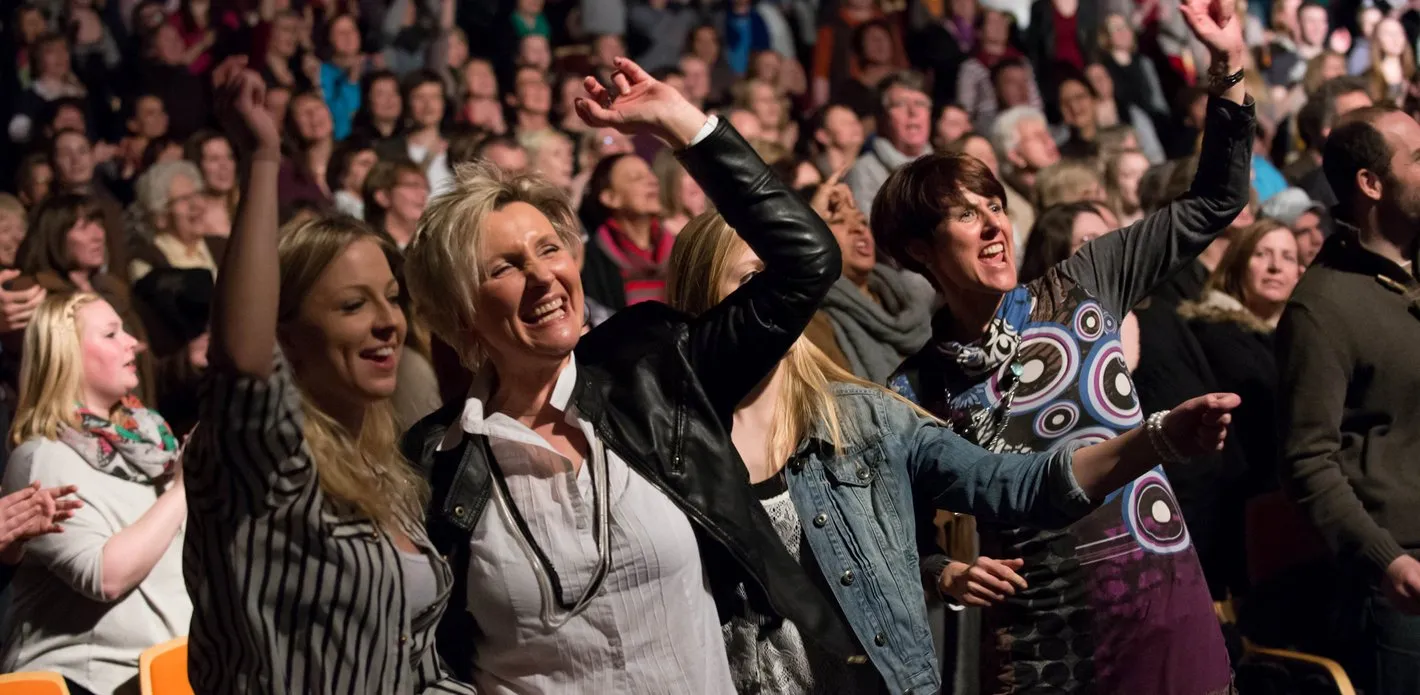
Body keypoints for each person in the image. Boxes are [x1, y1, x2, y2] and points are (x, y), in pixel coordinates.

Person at [399, 55, 860, 690]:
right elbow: (425, 660)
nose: (542, 277)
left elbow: (806, 262)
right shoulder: (433, 464)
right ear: (461, 314)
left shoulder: (656, 375)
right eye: (503, 267)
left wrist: (681, 126)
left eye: (550, 248)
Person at [664, 199, 1240, 694]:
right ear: (700, 301)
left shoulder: (866, 419)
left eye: (783, 278)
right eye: (747, 281)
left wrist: (1157, 437)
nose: (775, 298)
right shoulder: (658, 443)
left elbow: (1013, 483)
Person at [878, 0, 1252, 690]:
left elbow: (1214, 202)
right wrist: (942, 570)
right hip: (1049, 648)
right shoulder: (916, 386)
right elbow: (882, 529)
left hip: (1167, 607)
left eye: (995, 205)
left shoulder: (1084, 280)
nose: (994, 225)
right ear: (916, 249)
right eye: (966, 214)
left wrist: (1226, 68)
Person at [181, 57, 474, 694]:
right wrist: (263, 157)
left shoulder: (384, 469)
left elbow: (413, 661)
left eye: (393, 298)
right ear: (284, 332)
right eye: (351, 305)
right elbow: (242, 363)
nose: (387, 323)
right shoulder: (264, 462)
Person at [1277, 104, 1420, 695]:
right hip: (1402, 581)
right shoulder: (1324, 306)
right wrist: (1385, 559)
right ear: (1371, 182)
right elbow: (1309, 460)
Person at [1, 293, 187, 695]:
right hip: (87, 682)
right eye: (111, 333)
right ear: (66, 355)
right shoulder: (43, 456)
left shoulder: (153, 444)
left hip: (168, 673)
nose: (132, 342)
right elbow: (105, 576)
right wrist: (182, 489)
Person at [1179, 218, 1302, 595]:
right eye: (1262, 254)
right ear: (1236, 264)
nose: (1275, 266)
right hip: (1241, 509)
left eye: (1287, 256)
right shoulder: (1217, 334)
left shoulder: (1295, 336)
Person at [800, 176, 933, 383]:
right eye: (839, 222)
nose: (858, 228)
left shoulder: (903, 297)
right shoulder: (814, 322)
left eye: (862, 220)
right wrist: (806, 226)